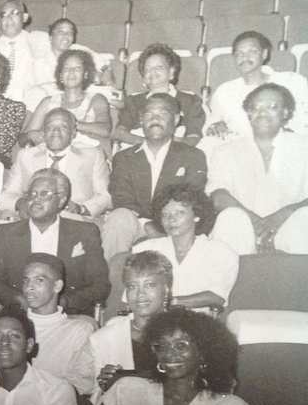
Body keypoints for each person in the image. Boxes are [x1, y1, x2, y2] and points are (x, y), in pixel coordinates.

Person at [83, 308, 258, 405]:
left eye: (180, 345)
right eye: (161, 346)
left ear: (204, 352)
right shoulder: (127, 390)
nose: (168, 354)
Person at [0, 169, 110, 315]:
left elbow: (100, 286)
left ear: (62, 200)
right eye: (32, 194)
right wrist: (21, 300)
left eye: (44, 194)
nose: (36, 199)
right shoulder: (6, 233)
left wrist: (60, 303)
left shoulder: (84, 232)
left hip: (69, 315)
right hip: (20, 315)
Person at [102, 92, 208, 262]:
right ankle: (111, 282)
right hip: (138, 223)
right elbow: (122, 198)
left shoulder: (193, 156)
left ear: (175, 120)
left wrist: (161, 224)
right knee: (119, 217)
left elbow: (190, 199)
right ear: (142, 120)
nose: (154, 119)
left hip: (175, 222)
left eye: (162, 114)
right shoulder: (124, 157)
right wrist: (148, 224)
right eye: (148, 114)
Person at [206, 82, 308, 255]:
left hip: (289, 226)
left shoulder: (303, 147)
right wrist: (256, 223)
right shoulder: (225, 151)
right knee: (230, 219)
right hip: (244, 228)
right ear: (249, 113)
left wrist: (281, 216)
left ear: (285, 113)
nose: (262, 112)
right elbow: (218, 196)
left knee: (304, 219)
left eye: (272, 107)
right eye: (256, 107)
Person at [135, 182, 239, 311]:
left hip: (196, 324)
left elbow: (216, 296)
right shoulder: (144, 250)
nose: (171, 219)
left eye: (179, 213)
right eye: (165, 214)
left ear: (197, 215)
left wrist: (170, 302)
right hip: (152, 321)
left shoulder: (221, 252)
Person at [0, 107, 111, 222]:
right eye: (50, 127)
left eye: (63, 126)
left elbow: (106, 196)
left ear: (73, 133)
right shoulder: (26, 156)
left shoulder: (92, 156)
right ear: (43, 133)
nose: (56, 131)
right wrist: (21, 203)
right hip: (33, 218)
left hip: (74, 220)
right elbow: (6, 196)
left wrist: (81, 209)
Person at [89, 249, 172, 399]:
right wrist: (104, 386)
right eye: (132, 286)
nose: (140, 294)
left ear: (166, 290)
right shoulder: (104, 338)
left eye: (150, 285)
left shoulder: (188, 332)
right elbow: (96, 398)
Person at [201, 29, 308, 143]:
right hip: (239, 150)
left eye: (252, 51)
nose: (244, 57)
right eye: (239, 54)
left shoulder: (292, 81)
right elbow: (211, 125)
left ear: (264, 54)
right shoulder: (224, 91)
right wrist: (215, 127)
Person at [20, 254, 96, 395]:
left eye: (39, 280)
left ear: (57, 286)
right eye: (26, 281)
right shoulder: (13, 326)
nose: (29, 287)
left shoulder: (79, 330)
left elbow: (83, 384)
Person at [114, 43, 206, 147]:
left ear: (171, 72)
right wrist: (150, 143)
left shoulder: (190, 102)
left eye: (158, 67)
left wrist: (167, 145)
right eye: (147, 69)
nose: (152, 71)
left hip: (177, 153)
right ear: (144, 77)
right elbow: (120, 132)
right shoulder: (134, 102)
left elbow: (193, 138)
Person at [23, 49, 112, 155]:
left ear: (85, 75)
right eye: (66, 68)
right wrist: (31, 136)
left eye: (77, 68)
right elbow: (23, 138)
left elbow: (105, 129)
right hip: (50, 156)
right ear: (60, 76)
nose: (71, 72)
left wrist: (69, 124)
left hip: (85, 157)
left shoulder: (97, 99)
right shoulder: (48, 102)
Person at [0, 0, 51, 104]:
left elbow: (46, 78)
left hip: (28, 101)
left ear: (25, 17)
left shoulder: (39, 41)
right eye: (4, 15)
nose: (9, 18)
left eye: (14, 13)